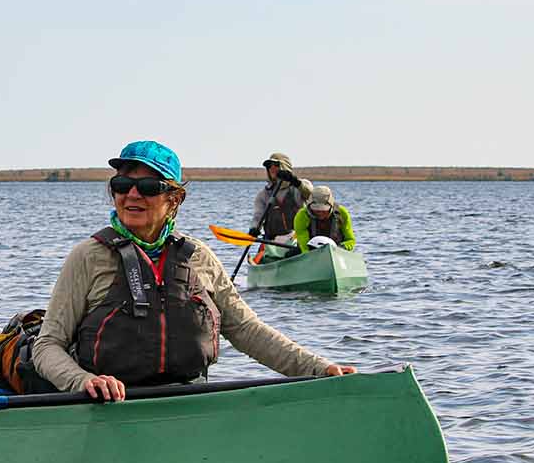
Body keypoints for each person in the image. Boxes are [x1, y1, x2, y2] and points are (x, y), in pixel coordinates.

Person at [32, 140, 356, 402]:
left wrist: (319, 369)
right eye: (122, 184)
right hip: (109, 408)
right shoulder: (88, 257)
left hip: (188, 405)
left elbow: (248, 331)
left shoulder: (199, 258)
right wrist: (83, 382)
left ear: (174, 199)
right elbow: (47, 346)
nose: (132, 194)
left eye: (148, 186)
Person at [249, 152, 311, 259]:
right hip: (273, 242)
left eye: (276, 165)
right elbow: (258, 215)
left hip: (297, 239)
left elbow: (310, 193)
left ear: (284, 167)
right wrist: (254, 228)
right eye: (269, 166)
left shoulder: (298, 187)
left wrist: (295, 181)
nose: (272, 168)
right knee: (262, 257)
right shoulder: (264, 194)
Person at [294, 185, 356, 252]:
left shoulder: (342, 213)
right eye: (316, 209)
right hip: (310, 251)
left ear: (331, 206)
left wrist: (341, 248)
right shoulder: (302, 215)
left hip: (337, 251)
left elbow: (350, 240)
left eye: (324, 210)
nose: (320, 212)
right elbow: (303, 243)